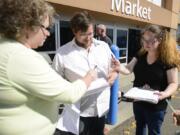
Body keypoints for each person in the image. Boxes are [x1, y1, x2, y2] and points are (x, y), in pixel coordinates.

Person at [0, 1, 97, 135]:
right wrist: (89, 77)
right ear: (27, 25)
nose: (48, 34)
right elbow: (70, 93)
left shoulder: (6, 48)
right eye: (45, 28)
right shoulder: (19, 57)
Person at [52, 11, 118, 135]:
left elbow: (114, 69)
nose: (89, 38)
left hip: (101, 110)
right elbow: (54, 83)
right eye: (83, 34)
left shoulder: (103, 47)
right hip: (79, 114)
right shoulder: (62, 53)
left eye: (91, 33)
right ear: (74, 32)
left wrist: (114, 75)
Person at [112, 25, 180, 135]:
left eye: (151, 40)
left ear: (159, 40)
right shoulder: (140, 54)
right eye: (144, 40)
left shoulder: (167, 59)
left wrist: (165, 93)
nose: (147, 43)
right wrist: (119, 67)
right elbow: (128, 68)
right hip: (138, 102)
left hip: (156, 106)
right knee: (139, 128)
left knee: (153, 132)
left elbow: (173, 83)